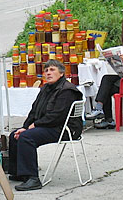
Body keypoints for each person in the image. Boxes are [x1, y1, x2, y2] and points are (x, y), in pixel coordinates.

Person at [8, 59, 83, 191]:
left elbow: (57, 116)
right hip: (49, 125)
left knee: (27, 137)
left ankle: (33, 178)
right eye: (46, 70)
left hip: (65, 129)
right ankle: (20, 172)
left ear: (61, 73)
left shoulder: (67, 90)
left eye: (52, 70)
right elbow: (34, 111)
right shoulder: (46, 89)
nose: (48, 73)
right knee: (15, 134)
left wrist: (35, 125)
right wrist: (25, 126)